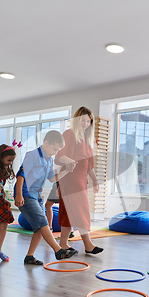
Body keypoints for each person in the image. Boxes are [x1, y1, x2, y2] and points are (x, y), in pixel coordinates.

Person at [14, 130, 78, 265]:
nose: (56, 152)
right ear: (46, 143)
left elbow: (52, 178)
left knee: (39, 228)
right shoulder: (32, 155)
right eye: (54, 149)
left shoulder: (49, 159)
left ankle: (29, 256)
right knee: (43, 222)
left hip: (37, 196)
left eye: (58, 150)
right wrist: (19, 194)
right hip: (26, 194)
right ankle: (58, 250)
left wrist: (66, 170)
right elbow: (21, 175)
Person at [54, 107, 103, 254]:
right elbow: (59, 156)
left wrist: (94, 180)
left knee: (68, 211)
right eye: (83, 120)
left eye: (89, 121)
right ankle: (88, 244)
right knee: (82, 210)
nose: (86, 123)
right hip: (70, 178)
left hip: (81, 179)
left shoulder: (89, 139)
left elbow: (89, 166)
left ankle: (63, 242)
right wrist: (69, 161)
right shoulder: (69, 134)